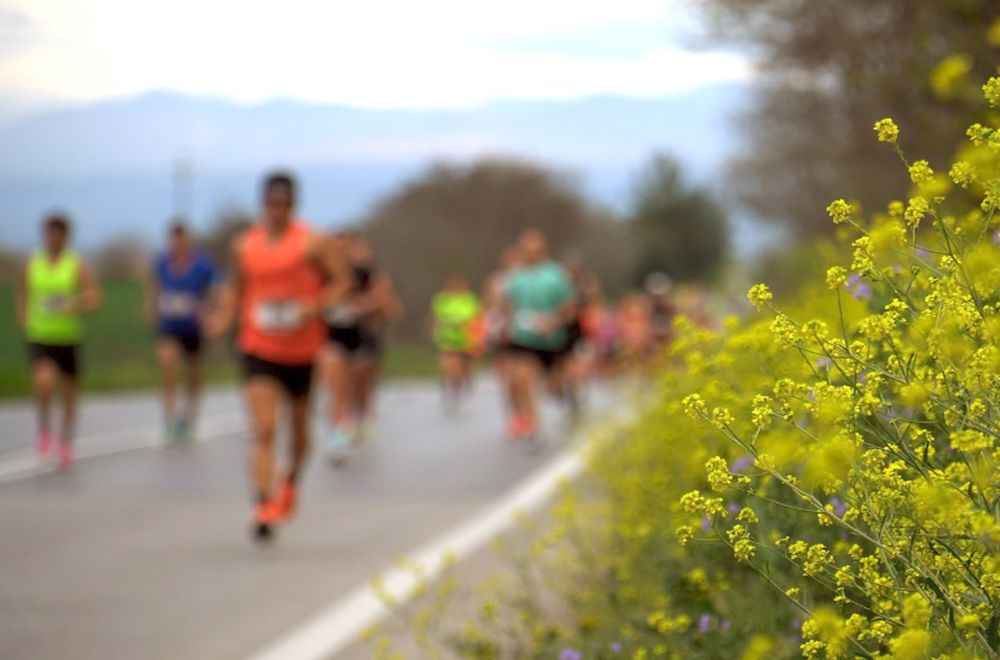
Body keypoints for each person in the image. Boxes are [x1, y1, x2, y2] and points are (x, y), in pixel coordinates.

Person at [207, 172, 348, 542]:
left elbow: (343, 281)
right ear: (263, 204)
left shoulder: (312, 242)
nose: (276, 210)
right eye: (271, 204)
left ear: (293, 205)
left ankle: (290, 481)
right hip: (259, 346)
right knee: (265, 428)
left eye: (283, 204)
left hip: (301, 350)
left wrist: (314, 306)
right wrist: (222, 319)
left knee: (299, 432)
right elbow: (236, 288)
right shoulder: (246, 246)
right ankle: (262, 505)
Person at [16, 214, 102, 469]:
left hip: (68, 336)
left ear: (65, 236)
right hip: (40, 334)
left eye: (57, 234)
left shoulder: (75, 263)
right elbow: (21, 290)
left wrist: (75, 304)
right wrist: (22, 314)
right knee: (43, 383)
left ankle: (65, 441)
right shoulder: (32, 262)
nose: (52, 238)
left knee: (68, 394)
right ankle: (44, 431)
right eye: (48, 233)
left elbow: (94, 296)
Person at [321, 232, 401, 463]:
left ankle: (361, 415)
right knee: (337, 390)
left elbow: (390, 309)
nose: (342, 254)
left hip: (363, 339)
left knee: (359, 391)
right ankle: (337, 437)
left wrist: (370, 306)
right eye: (336, 249)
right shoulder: (323, 275)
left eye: (346, 249)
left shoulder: (368, 277)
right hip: (334, 339)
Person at [145, 221, 220, 442]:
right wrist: (151, 307)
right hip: (169, 325)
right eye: (174, 240)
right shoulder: (162, 262)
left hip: (193, 327)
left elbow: (215, 290)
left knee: (194, 375)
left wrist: (209, 312)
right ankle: (169, 420)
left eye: (182, 240)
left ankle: (188, 417)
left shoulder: (203, 264)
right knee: (167, 364)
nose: (177, 244)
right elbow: (155, 287)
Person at [501, 229, 575, 442]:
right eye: (525, 249)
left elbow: (569, 308)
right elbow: (508, 306)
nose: (529, 253)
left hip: (551, 340)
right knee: (520, 379)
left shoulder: (556, 275)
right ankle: (532, 426)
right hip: (524, 338)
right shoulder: (515, 277)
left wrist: (553, 321)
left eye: (533, 250)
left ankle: (562, 397)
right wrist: (509, 324)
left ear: (542, 250)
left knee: (553, 388)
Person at [430, 275, 483, 412]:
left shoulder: (470, 300)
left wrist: (476, 337)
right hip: (447, 341)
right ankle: (451, 390)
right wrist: (436, 330)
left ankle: (461, 390)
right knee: (449, 367)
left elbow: (477, 319)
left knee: (462, 370)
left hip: (465, 341)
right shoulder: (442, 299)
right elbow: (435, 318)